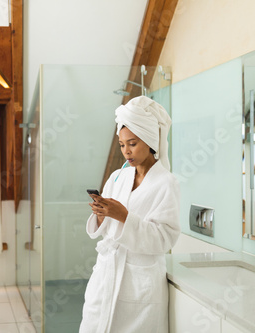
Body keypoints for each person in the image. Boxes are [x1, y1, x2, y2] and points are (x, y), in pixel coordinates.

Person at [79, 96, 181, 333]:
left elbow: (166, 238)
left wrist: (124, 216)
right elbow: (103, 229)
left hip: (139, 283)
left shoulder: (166, 183)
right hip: (106, 274)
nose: (126, 151)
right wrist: (102, 215)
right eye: (122, 144)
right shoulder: (117, 176)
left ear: (149, 140)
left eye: (132, 143)